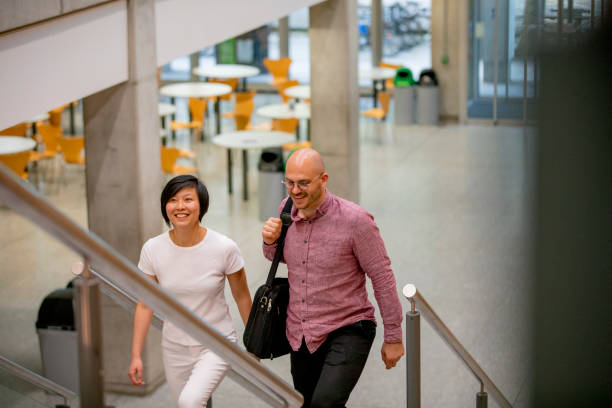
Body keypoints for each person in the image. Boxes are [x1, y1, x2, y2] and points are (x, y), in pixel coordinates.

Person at [261, 148, 405, 408]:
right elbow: (279, 256)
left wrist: (393, 336)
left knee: (324, 403)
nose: (295, 190)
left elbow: (382, 277)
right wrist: (269, 241)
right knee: (307, 403)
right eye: (290, 182)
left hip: (348, 326)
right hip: (301, 332)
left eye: (304, 183)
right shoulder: (286, 210)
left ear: (323, 179)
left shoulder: (356, 221)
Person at [129, 175, 254, 408]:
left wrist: (254, 343)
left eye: (188, 199)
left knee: (190, 402)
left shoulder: (224, 248)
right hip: (174, 346)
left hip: (216, 342)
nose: (180, 207)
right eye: (173, 200)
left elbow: (242, 296)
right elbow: (145, 303)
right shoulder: (153, 249)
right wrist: (136, 355)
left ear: (201, 206)